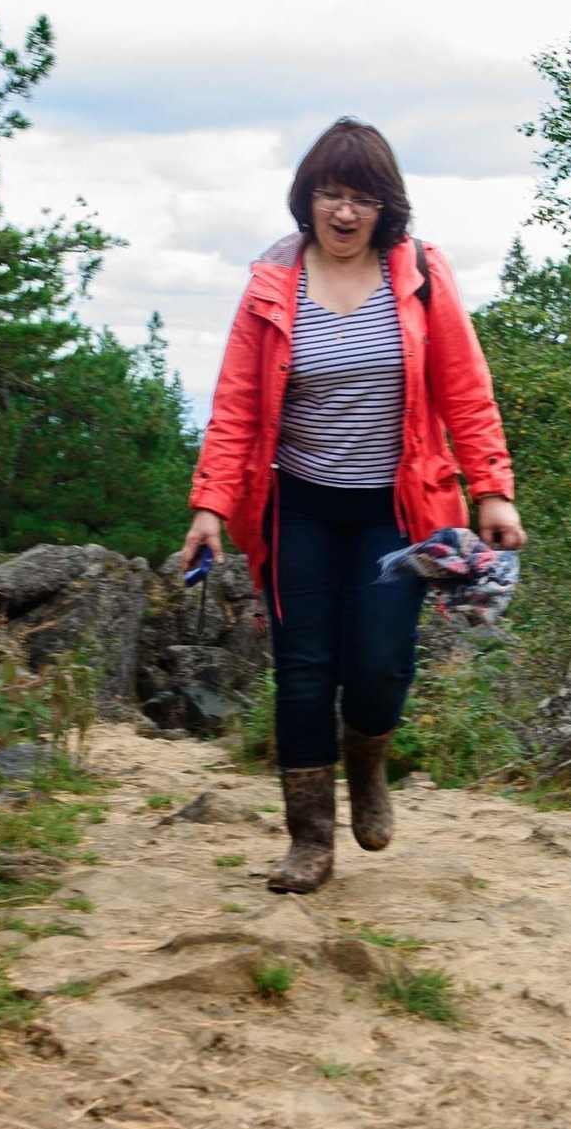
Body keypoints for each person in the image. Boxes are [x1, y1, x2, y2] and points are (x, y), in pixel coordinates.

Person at [178, 118, 524, 894]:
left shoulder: (421, 274)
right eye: (329, 194)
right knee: (303, 673)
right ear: (308, 199)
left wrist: (491, 489)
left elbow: (466, 390)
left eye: (360, 198)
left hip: (395, 511)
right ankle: (310, 839)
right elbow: (235, 407)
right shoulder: (273, 283)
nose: (342, 212)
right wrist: (210, 507)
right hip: (296, 506)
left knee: (378, 667)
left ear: (385, 207)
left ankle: (367, 763)